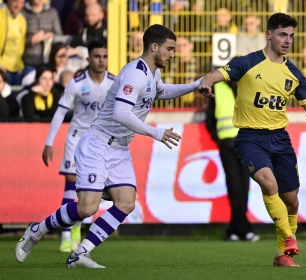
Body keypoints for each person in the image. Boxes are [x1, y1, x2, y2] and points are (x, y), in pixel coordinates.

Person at [16, 24, 202, 268]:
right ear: (154, 46)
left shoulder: (152, 73)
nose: (172, 54)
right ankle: (37, 230)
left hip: (120, 149)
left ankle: (80, 253)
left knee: (126, 202)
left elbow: (162, 91)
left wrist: (195, 84)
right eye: (169, 49)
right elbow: (121, 113)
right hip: (98, 144)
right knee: (86, 208)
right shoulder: (135, 73)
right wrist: (156, 132)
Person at [198, 13, 306, 267]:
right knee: (268, 182)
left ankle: (282, 256)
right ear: (269, 34)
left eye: (291, 36)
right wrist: (207, 83)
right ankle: (289, 237)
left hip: (279, 139)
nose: (287, 40)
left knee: (292, 200)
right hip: (250, 138)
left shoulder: (294, 73)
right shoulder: (248, 62)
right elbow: (215, 74)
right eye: (283, 34)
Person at [41, 41, 112, 253]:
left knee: (87, 192)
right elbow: (61, 112)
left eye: (104, 56)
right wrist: (48, 142)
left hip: (98, 142)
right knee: (70, 185)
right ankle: (64, 236)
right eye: (97, 56)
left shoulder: (114, 83)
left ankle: (76, 230)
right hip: (76, 138)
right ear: (89, 59)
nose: (101, 60)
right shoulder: (77, 83)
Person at [205, 77, 259, 242]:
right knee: (236, 188)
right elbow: (210, 119)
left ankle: (235, 229)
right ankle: (244, 229)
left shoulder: (250, 87)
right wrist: (219, 140)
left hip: (246, 146)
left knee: (243, 188)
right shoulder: (219, 88)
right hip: (228, 145)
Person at [0, 0, 27, 85]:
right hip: (2, 68)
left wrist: (20, 64)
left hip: (16, 69)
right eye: (16, 1)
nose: (18, 5)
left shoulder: (22, 19)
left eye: (22, 2)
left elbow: (20, 45)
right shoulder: (1, 16)